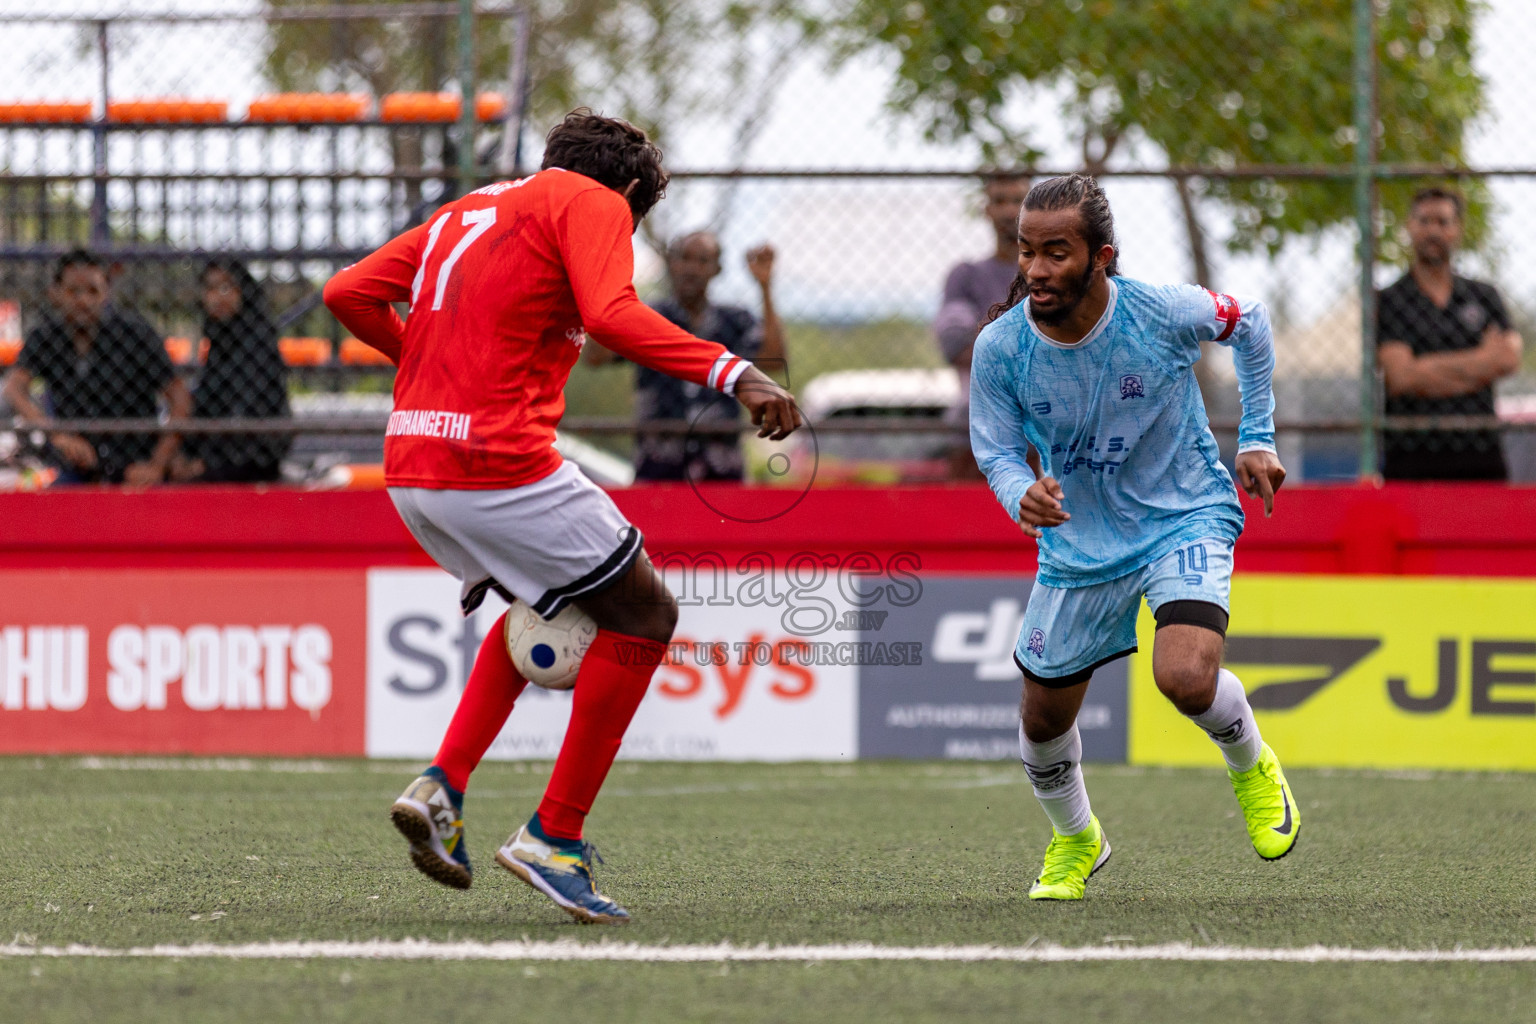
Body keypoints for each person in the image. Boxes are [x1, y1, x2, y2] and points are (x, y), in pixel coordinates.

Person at [323, 109, 800, 924]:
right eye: (636, 217)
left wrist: (437, 371)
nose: (626, 231)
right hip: (496, 463)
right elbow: (613, 314)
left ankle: (443, 785)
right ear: (625, 189)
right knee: (647, 613)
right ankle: (555, 836)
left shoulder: (466, 210)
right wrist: (737, 374)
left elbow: (347, 291)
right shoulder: (594, 201)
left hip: (413, 463)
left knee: (554, 603)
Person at [969, 174, 1297, 901]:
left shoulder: (1160, 312)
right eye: (1028, 252)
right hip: (1079, 544)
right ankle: (1076, 837)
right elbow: (993, 450)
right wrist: (1017, 493)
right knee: (1040, 721)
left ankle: (1251, 763)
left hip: (1184, 513)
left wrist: (1258, 435)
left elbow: (1252, 322)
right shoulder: (1000, 349)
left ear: (1102, 256)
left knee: (1185, 678)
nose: (1038, 270)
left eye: (1058, 252)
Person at [588, 230, 785, 481]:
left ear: (717, 269)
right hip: (658, 460)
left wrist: (765, 287)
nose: (691, 268)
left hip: (721, 462)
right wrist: (608, 286)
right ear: (671, 264)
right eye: (685, 258)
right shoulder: (648, 317)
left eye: (702, 260)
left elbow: (775, 359)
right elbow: (596, 358)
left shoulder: (734, 320)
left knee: (726, 520)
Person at [2, 249, 189, 485]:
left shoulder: (135, 334)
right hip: (77, 467)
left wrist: (156, 465)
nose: (83, 301)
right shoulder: (47, 335)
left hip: (134, 466)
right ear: (56, 293)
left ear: (106, 293)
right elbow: (14, 389)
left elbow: (180, 398)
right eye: (74, 291)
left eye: (93, 291)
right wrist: (58, 435)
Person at [1377, 187, 1523, 480]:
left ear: (1457, 229)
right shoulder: (1391, 299)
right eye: (1425, 221)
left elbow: (1508, 359)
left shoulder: (1483, 296)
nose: (1433, 230)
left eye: (1443, 222)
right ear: (1409, 226)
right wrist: (1481, 363)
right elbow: (1401, 377)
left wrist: (1426, 369)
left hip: (1481, 454)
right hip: (1411, 458)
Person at [935, 174, 1030, 478]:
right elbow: (955, 347)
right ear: (986, 209)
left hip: (1043, 425)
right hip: (974, 425)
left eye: (1018, 201)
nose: (1008, 211)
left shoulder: (1056, 275)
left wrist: (991, 335)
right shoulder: (966, 276)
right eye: (999, 201)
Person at [173, 258, 291, 483]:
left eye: (226, 287)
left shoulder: (257, 339)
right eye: (210, 288)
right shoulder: (218, 339)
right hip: (218, 454)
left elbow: (248, 412)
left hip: (251, 459)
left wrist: (205, 462)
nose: (218, 296)